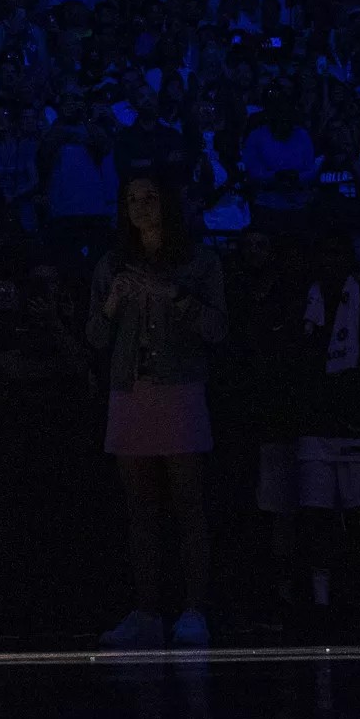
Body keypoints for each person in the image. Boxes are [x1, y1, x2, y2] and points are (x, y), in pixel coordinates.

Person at [89, 178, 227, 648]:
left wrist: (173, 295)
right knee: (139, 509)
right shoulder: (113, 264)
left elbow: (217, 329)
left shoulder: (199, 262)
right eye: (132, 199)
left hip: (181, 387)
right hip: (130, 390)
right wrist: (112, 303)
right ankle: (147, 610)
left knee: (189, 504)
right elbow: (95, 337)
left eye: (151, 197)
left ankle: (194, 610)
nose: (142, 207)